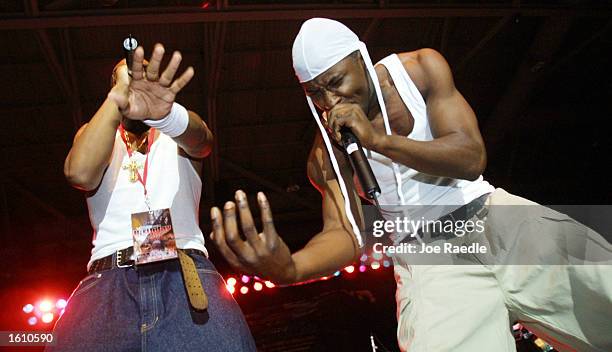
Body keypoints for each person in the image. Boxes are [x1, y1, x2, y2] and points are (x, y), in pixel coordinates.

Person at [209, 18, 612, 352]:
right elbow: (345, 234)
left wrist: (380, 142)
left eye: (336, 82)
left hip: (492, 219)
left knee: (603, 285)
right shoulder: (325, 154)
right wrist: (291, 268)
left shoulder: (419, 70)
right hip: (427, 261)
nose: (330, 100)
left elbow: (471, 158)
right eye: (315, 93)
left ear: (361, 59)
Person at [52, 43, 256, 351]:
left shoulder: (175, 132)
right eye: (126, 79)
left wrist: (167, 115)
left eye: (141, 75)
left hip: (185, 273)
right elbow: (80, 174)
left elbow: (203, 141)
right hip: (109, 280)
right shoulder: (97, 136)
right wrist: (118, 93)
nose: (135, 83)